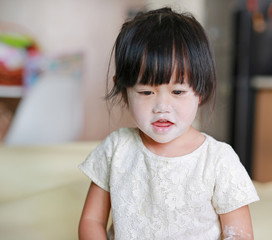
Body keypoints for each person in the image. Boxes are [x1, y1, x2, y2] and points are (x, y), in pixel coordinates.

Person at [78, 7, 259, 240]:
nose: (162, 106)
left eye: (178, 91)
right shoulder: (116, 149)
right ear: (124, 92)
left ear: (201, 90)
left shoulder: (218, 161)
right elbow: (92, 220)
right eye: (145, 92)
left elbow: (239, 234)